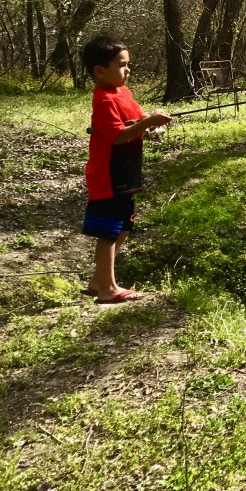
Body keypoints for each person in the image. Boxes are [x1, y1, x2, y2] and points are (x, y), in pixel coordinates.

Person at [80, 35, 171, 303]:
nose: (128, 70)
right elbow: (118, 136)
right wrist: (147, 123)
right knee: (108, 230)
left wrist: (152, 124)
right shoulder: (104, 100)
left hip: (126, 172)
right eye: (121, 65)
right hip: (107, 175)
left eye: (128, 64)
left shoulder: (123, 93)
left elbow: (137, 118)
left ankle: (99, 280)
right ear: (99, 71)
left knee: (124, 226)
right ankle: (108, 289)